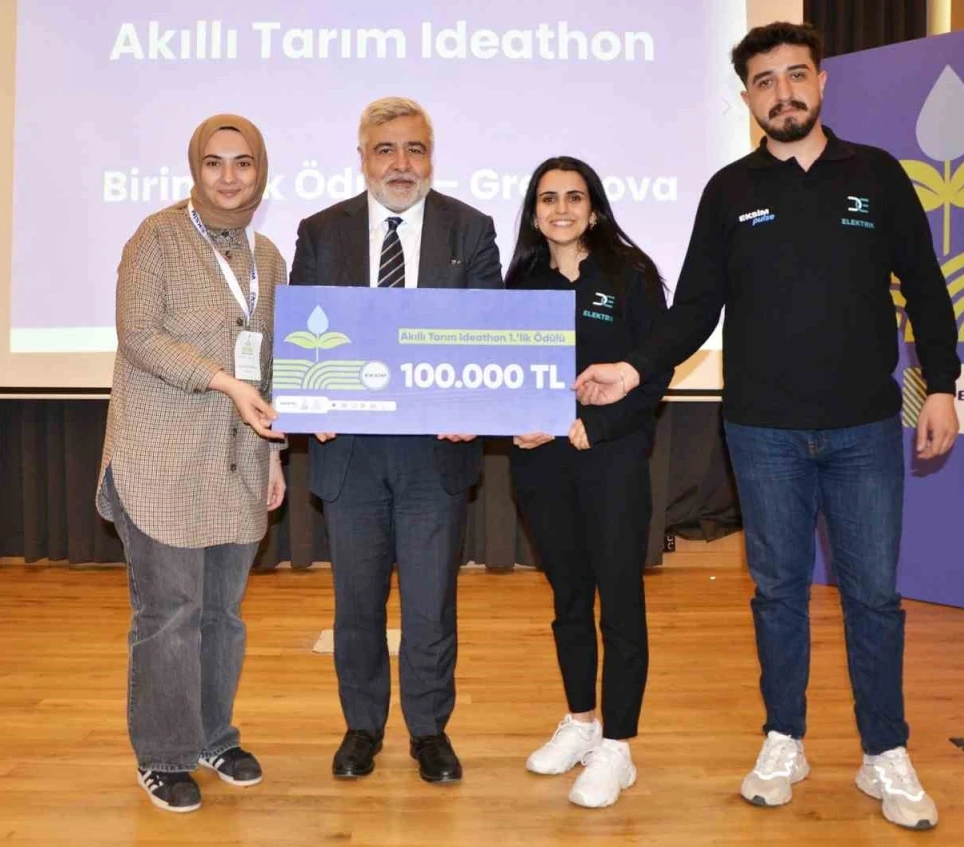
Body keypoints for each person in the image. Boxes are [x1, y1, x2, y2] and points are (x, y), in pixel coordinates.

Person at [573, 22, 960, 831]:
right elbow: (693, 308)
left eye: (795, 75)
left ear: (822, 81)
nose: (782, 93)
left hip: (863, 428)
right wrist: (635, 368)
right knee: (779, 592)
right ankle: (785, 738)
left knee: (873, 597)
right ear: (746, 97)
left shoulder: (877, 175)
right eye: (764, 81)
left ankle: (884, 749)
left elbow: (925, 286)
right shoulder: (728, 190)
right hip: (761, 433)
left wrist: (944, 387)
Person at [289, 97, 503, 783]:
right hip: (349, 449)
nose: (401, 163)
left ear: (431, 157)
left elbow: (489, 332)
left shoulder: (470, 228)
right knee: (356, 603)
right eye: (386, 149)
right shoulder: (321, 231)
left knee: (431, 603)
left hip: (433, 451)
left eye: (415, 149)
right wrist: (308, 398)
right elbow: (302, 329)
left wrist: (475, 402)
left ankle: (429, 731)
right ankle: (362, 727)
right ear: (363, 158)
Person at [95, 114, 287, 813]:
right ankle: (164, 755)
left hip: (237, 462)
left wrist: (274, 455)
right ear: (194, 169)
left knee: (222, 614)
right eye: (214, 162)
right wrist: (224, 382)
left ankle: (213, 736)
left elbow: (269, 363)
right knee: (169, 614)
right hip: (159, 459)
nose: (229, 176)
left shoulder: (268, 257)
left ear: (260, 171)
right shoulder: (156, 237)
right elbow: (138, 335)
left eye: (243, 162)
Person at [505, 157, 671, 808]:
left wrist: (595, 425)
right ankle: (581, 721)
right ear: (534, 212)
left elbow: (654, 372)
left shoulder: (631, 274)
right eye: (548, 198)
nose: (561, 209)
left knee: (619, 599)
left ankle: (618, 746)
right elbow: (502, 367)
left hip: (612, 459)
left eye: (574, 197)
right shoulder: (520, 281)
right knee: (568, 596)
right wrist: (516, 421)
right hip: (541, 464)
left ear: (594, 209)